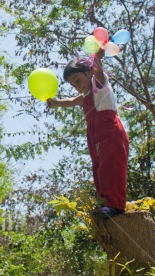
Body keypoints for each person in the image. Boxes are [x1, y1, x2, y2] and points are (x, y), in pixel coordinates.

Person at [46, 49, 129, 219]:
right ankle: (105, 202)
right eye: (73, 85)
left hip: (110, 130)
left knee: (110, 166)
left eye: (78, 80)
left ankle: (116, 205)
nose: (77, 86)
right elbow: (72, 101)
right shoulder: (86, 95)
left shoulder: (100, 84)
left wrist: (97, 58)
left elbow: (98, 71)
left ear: (88, 71)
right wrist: (56, 103)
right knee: (98, 169)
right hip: (95, 134)